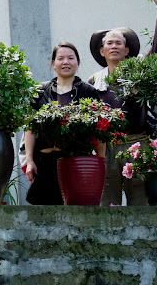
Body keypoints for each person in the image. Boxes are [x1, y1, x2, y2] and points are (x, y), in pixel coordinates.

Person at [88, 0, 157, 206]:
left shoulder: (138, 72)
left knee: (141, 203)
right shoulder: (93, 82)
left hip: (137, 145)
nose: (114, 46)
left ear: (127, 50)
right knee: (106, 205)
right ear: (102, 51)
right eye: (109, 43)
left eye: (119, 43)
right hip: (105, 148)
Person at [24, 42, 100, 205]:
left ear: (77, 62)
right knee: (45, 211)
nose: (66, 62)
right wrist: (29, 161)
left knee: (76, 209)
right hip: (44, 163)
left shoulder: (88, 92)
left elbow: (99, 132)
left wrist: (100, 163)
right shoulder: (40, 92)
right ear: (53, 63)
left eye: (71, 58)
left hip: (76, 163)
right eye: (61, 58)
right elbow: (30, 128)